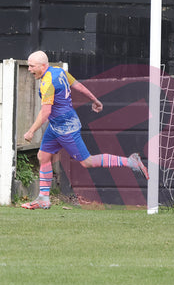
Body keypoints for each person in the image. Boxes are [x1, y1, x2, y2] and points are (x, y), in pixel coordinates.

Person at [21, 50, 149, 209]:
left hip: (66, 128)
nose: (29, 69)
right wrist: (95, 100)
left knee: (87, 162)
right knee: (43, 156)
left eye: (32, 66)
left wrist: (31, 131)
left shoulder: (48, 82)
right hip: (56, 126)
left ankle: (131, 161)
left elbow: (46, 112)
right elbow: (78, 86)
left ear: (43, 66)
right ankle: (43, 199)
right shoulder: (59, 72)